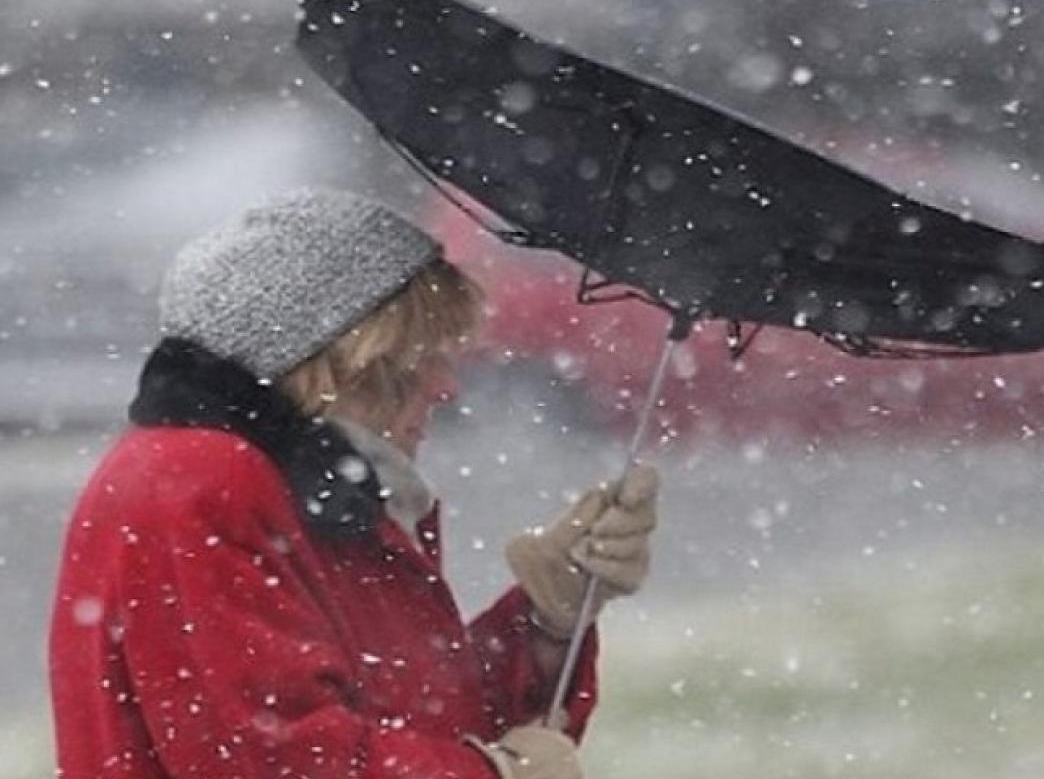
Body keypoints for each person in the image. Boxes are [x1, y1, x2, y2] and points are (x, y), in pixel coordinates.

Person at [49, 188, 659, 779]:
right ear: (342, 360)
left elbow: (425, 713)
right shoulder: (198, 481)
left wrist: (550, 621)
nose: (446, 388)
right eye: (423, 358)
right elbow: (274, 759)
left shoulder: (311, 489)